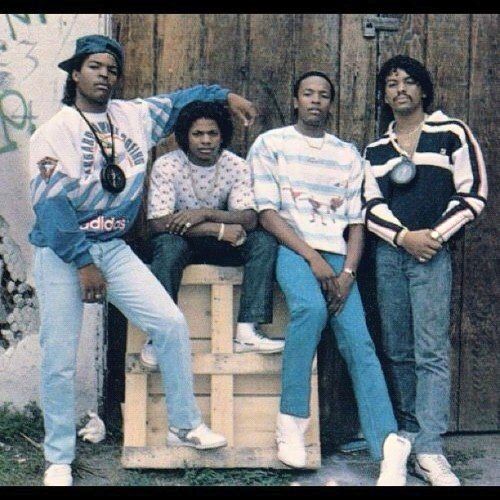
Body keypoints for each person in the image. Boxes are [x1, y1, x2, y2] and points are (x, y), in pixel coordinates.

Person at [28, 34, 257, 487]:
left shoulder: (133, 116)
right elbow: (52, 209)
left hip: (111, 246)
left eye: (112, 69)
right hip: (63, 252)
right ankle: (58, 456)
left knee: (169, 323)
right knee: (59, 357)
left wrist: (225, 96)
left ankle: (183, 423)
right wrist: (82, 263)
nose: (104, 75)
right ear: (75, 73)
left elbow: (182, 101)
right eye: (94, 66)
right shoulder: (54, 132)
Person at [248, 70, 411, 485]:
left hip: (340, 257)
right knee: (308, 310)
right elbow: (267, 213)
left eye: (323, 95)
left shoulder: (347, 154)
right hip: (293, 248)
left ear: (330, 103)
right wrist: (314, 261)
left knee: (358, 339)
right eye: (308, 94)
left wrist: (348, 273)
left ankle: (389, 445)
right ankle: (292, 422)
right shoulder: (271, 144)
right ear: (296, 99)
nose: (315, 101)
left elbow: (357, 222)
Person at [363, 55, 488, 486]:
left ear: (423, 90)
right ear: (384, 95)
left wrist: (431, 237)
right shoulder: (376, 150)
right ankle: (410, 436)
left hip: (432, 254)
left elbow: (473, 194)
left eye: (409, 82)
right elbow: (369, 206)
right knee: (397, 347)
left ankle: (431, 449)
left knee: (431, 351)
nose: (400, 89)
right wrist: (402, 238)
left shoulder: (451, 132)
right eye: (392, 83)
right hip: (390, 256)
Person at [141, 100, 282, 368]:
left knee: (263, 241)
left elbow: (249, 218)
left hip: (221, 242)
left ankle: (247, 331)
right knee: (167, 246)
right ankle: (157, 336)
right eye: (197, 134)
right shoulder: (167, 165)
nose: (206, 141)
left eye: (212, 134)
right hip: (182, 241)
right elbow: (158, 223)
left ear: (222, 136)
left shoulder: (236, 165)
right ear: (185, 136)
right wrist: (216, 228)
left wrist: (204, 214)